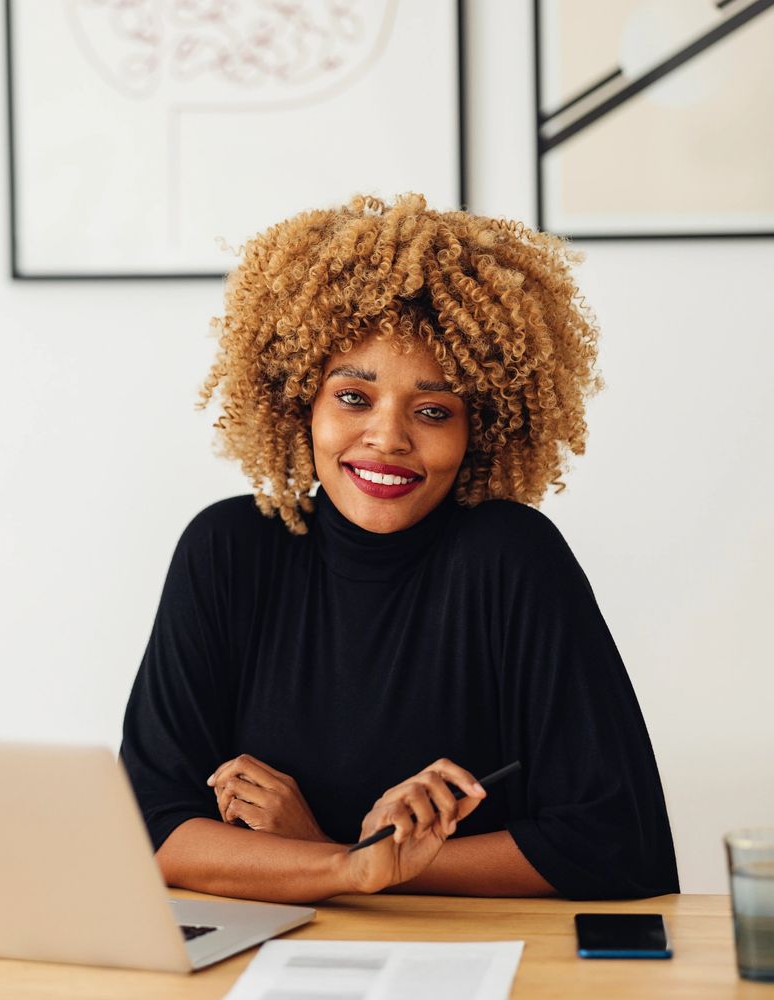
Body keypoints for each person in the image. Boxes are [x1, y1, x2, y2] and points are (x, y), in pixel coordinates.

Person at [119, 193, 679, 904]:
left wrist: (333, 856)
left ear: (483, 428)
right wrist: (349, 866)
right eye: (354, 397)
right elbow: (152, 829)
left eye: (434, 410)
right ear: (300, 402)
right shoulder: (229, 551)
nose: (388, 437)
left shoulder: (512, 559)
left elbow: (616, 844)